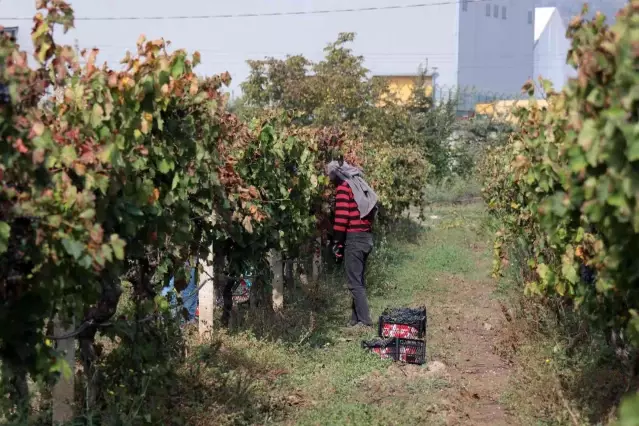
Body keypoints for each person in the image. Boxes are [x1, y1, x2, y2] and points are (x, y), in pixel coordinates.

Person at [326, 160, 378, 328]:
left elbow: (341, 219)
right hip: (366, 237)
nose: (330, 182)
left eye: (331, 178)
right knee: (358, 280)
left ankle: (365, 321)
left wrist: (337, 243)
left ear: (336, 175)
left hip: (354, 239)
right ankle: (355, 319)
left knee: (354, 282)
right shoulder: (357, 186)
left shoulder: (344, 188)